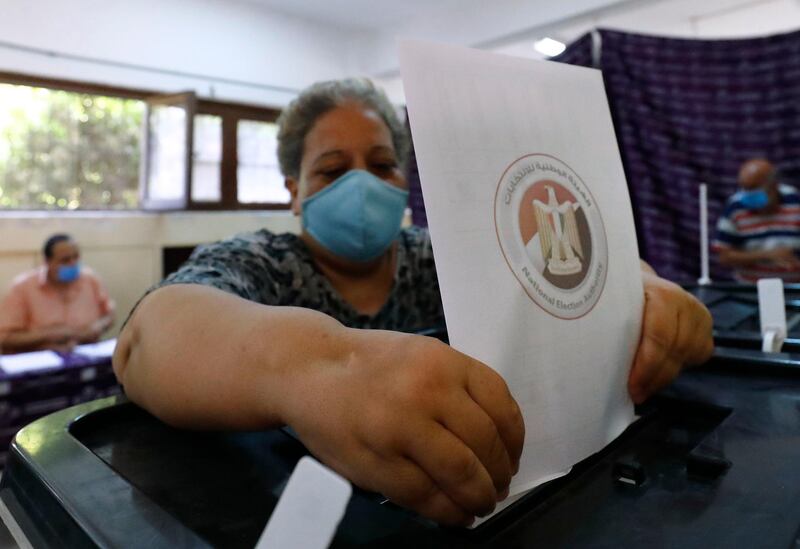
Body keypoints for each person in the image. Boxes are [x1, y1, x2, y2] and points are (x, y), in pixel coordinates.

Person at [113, 78, 713, 526]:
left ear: (404, 180)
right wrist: (324, 370)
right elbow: (147, 337)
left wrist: (643, 288)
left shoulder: (441, 256)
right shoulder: (264, 262)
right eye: (331, 171)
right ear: (293, 191)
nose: (363, 185)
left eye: (381, 165)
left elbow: (556, 264)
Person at [0, 234, 115, 354]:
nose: (72, 263)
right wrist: (49, 335)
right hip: (41, 362)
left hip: (85, 356)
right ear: (47, 262)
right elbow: (5, 338)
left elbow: (109, 315)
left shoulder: (90, 280)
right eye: (65, 260)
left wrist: (98, 327)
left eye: (76, 257)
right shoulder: (22, 288)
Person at [715, 158, 800, 282]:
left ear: (774, 185)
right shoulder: (735, 206)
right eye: (745, 189)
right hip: (751, 290)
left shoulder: (795, 201)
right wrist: (767, 255)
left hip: (794, 290)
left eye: (754, 189)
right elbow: (724, 256)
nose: (748, 195)